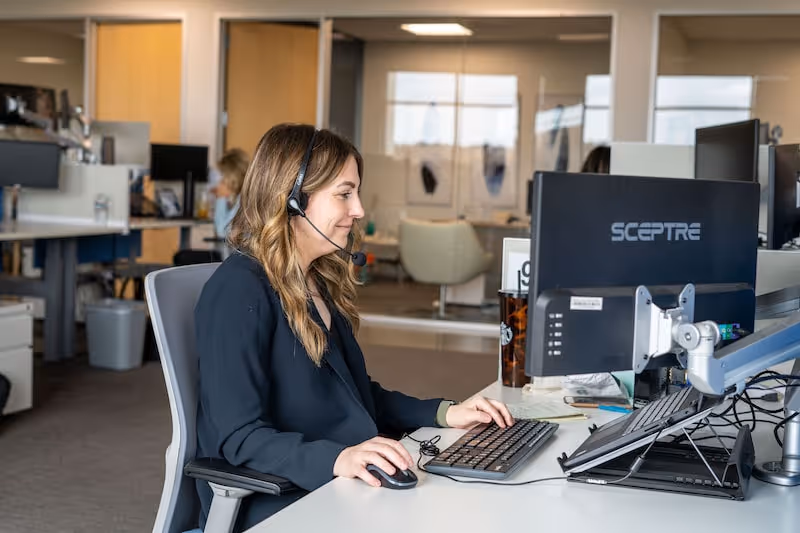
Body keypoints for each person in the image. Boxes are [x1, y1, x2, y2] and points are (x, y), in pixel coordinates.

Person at [194, 124, 515, 532]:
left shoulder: (315, 282)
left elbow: (361, 399)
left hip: (337, 483)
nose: (359, 209)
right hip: (278, 497)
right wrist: (338, 459)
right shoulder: (238, 292)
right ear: (291, 200)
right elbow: (238, 436)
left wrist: (447, 414)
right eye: (344, 194)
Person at [210, 148, 249, 239]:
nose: (219, 183)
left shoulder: (243, 201)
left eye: (222, 179)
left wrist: (220, 198)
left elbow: (222, 231)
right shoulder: (242, 198)